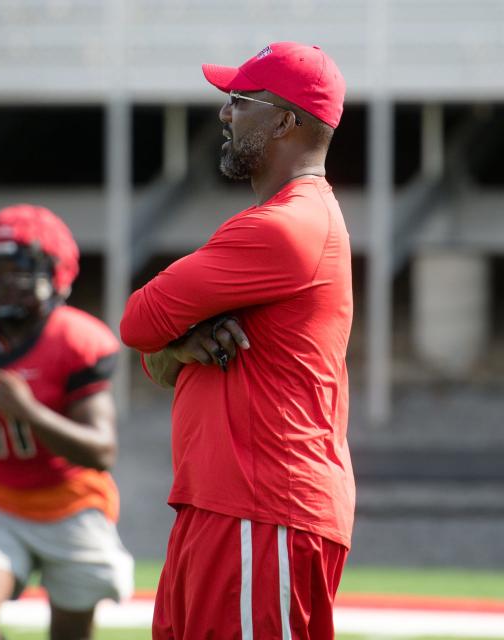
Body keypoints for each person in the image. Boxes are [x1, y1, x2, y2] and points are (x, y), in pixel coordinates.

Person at [120, 42, 355, 639]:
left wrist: (168, 339)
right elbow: (156, 355)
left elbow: (138, 320)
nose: (225, 114)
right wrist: (180, 346)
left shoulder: (283, 226)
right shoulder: (286, 221)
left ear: (285, 121)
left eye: (240, 101)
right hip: (229, 503)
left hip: (261, 505)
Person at [0, 204, 134, 640]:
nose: (3, 281)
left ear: (54, 273)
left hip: (72, 503)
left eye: (17, 268)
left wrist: (30, 412)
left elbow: (102, 450)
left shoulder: (76, 340)